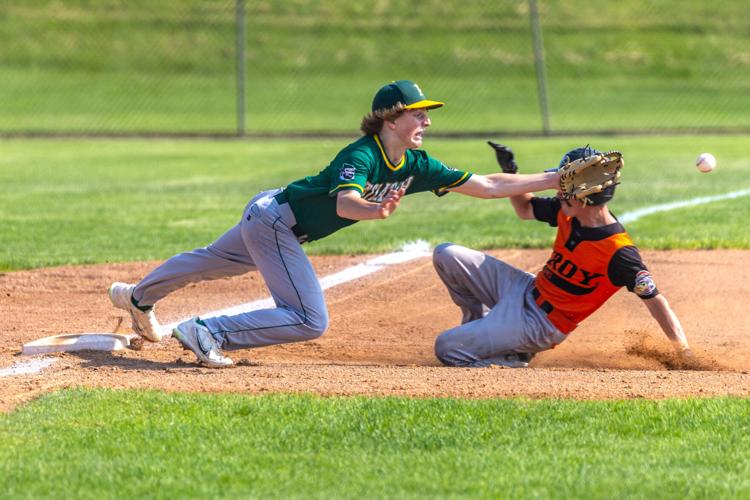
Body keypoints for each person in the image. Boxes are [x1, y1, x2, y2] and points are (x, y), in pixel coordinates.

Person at [108, 80, 561, 368]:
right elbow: (347, 203)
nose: (425, 119)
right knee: (308, 319)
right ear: (390, 117)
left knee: (212, 261)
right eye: (417, 112)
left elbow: (486, 183)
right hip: (275, 221)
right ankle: (207, 332)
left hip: (271, 214)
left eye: (426, 113)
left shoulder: (418, 163)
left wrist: (555, 177)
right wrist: (376, 211)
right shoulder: (361, 154)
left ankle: (139, 296)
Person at [433, 145, 691, 368]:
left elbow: (656, 301)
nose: (558, 192)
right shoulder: (568, 210)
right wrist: (513, 173)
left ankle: (511, 357)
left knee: (447, 348)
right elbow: (524, 209)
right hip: (525, 289)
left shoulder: (618, 252)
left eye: (565, 189)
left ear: (584, 199)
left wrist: (684, 352)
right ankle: (482, 329)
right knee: (446, 254)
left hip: (540, 324)